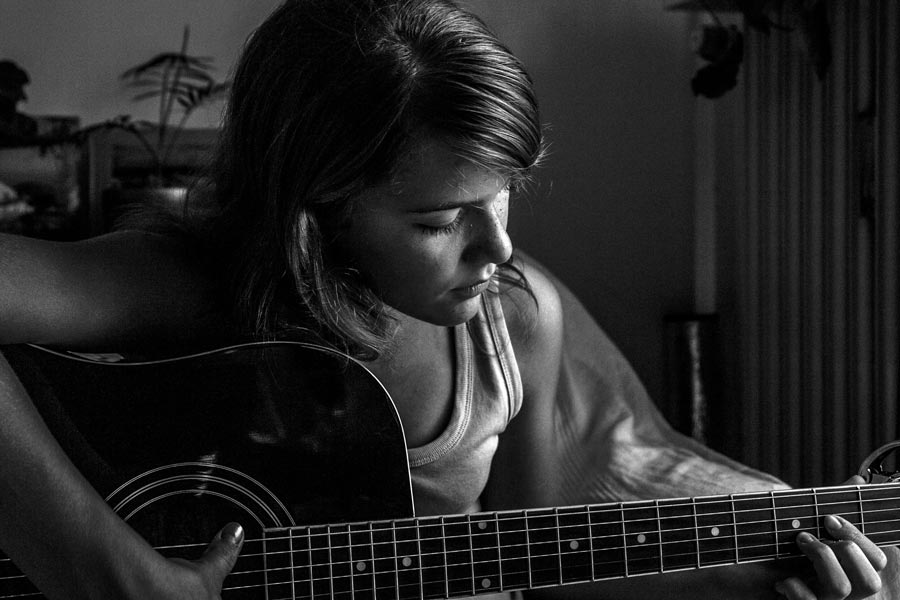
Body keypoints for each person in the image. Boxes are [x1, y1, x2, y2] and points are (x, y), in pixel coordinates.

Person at [0, 0, 897, 598]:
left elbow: (540, 562)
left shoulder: (514, 322)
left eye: (502, 193)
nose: (499, 249)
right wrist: (98, 564)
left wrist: (759, 581)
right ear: (318, 208)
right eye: (437, 221)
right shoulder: (192, 283)